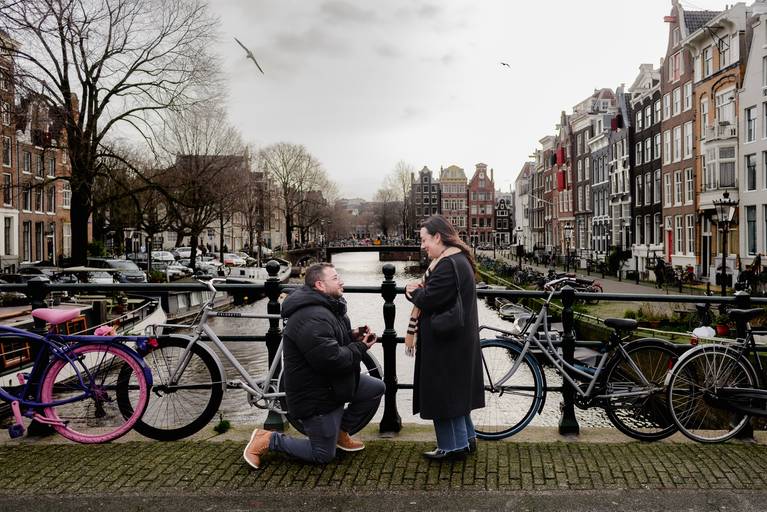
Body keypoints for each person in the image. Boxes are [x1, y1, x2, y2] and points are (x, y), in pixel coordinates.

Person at [243, 263, 385, 469]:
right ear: (320, 284)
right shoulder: (311, 317)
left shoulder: (331, 306)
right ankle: (267, 439)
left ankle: (339, 433)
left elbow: (331, 341)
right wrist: (361, 346)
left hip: (331, 385)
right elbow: (332, 359)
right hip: (315, 395)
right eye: (335, 278)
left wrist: (352, 335)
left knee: (375, 388)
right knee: (322, 455)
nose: (341, 281)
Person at [404, 215, 485, 461]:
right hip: (457, 340)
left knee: (444, 395)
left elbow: (429, 299)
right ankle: (466, 440)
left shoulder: (447, 265)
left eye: (424, 239)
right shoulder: (458, 259)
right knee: (456, 395)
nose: (422, 245)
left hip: (446, 343)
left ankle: (452, 447)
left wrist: (411, 293)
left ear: (438, 237)